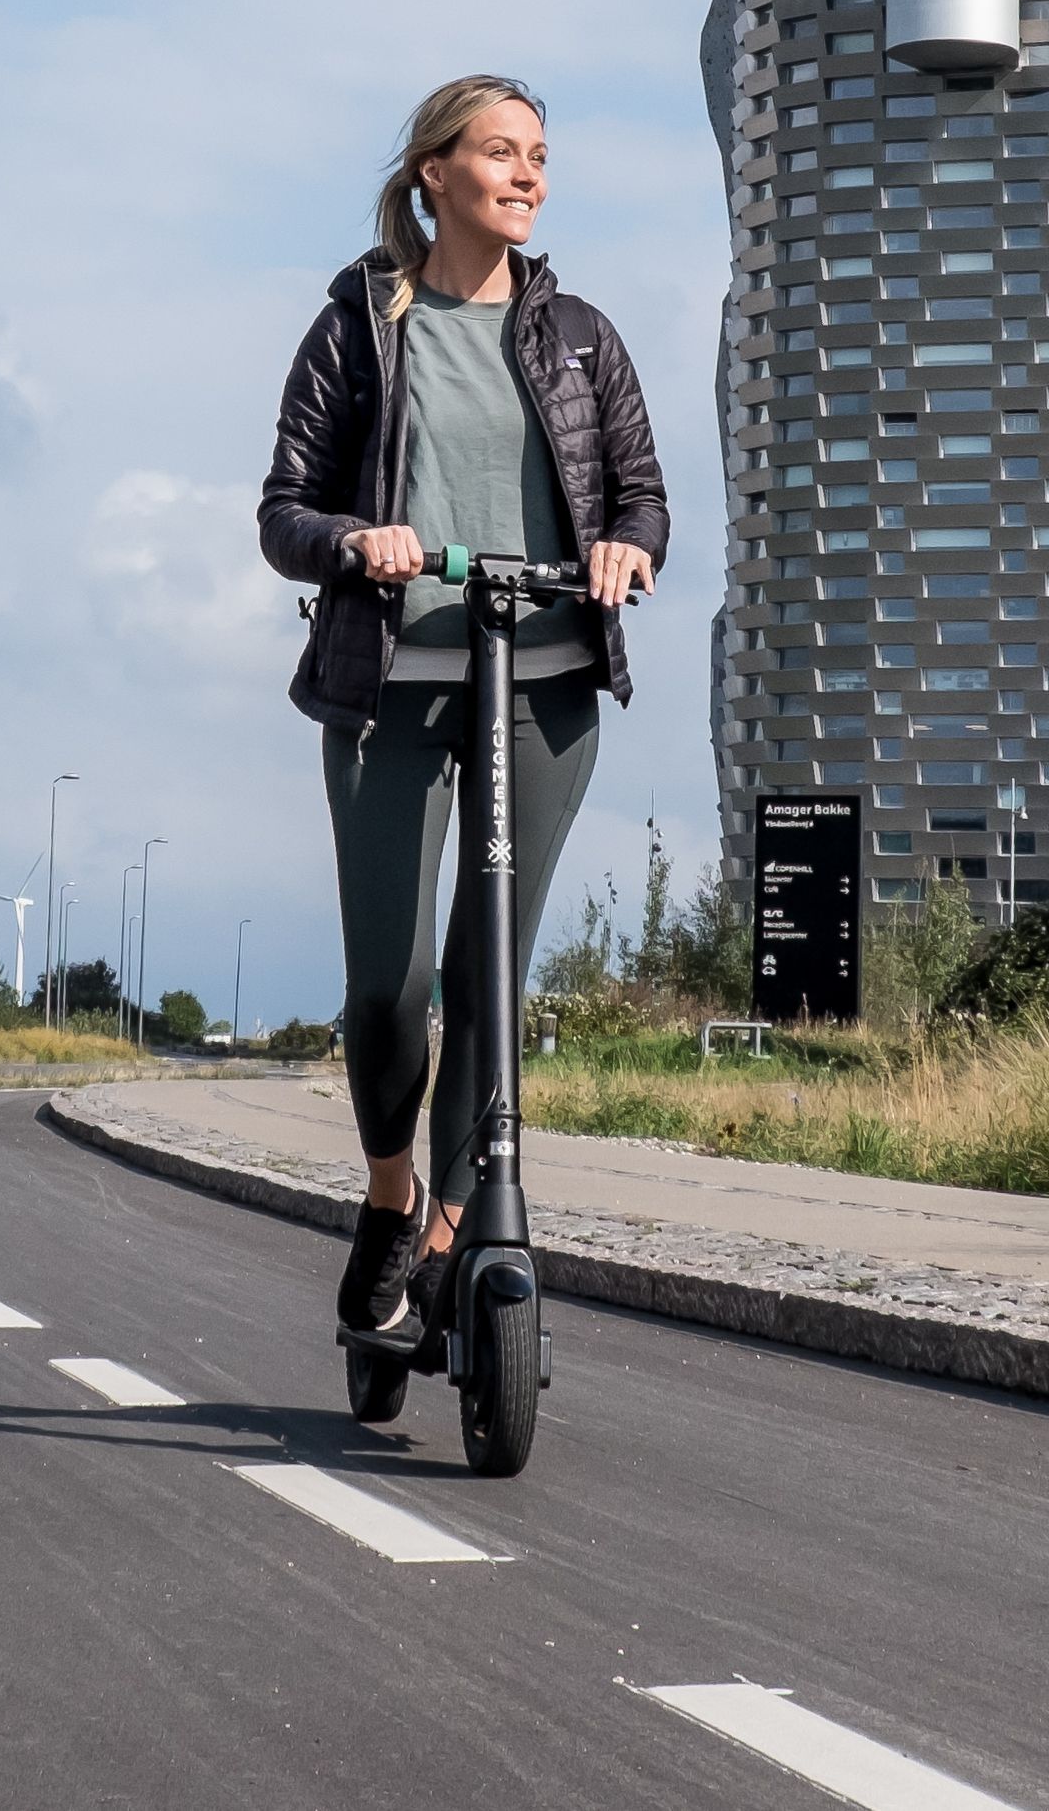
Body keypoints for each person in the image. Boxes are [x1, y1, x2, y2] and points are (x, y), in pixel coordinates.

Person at [257, 75, 668, 1344]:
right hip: (391, 680)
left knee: (490, 975)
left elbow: (642, 497)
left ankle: (452, 1231)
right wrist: (354, 540)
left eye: (541, 154)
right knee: (393, 987)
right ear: (435, 170)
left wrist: (622, 554)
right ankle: (393, 1195)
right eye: (502, 151)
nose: (529, 173)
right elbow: (283, 512)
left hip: (541, 685)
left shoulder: (582, 336)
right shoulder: (358, 326)